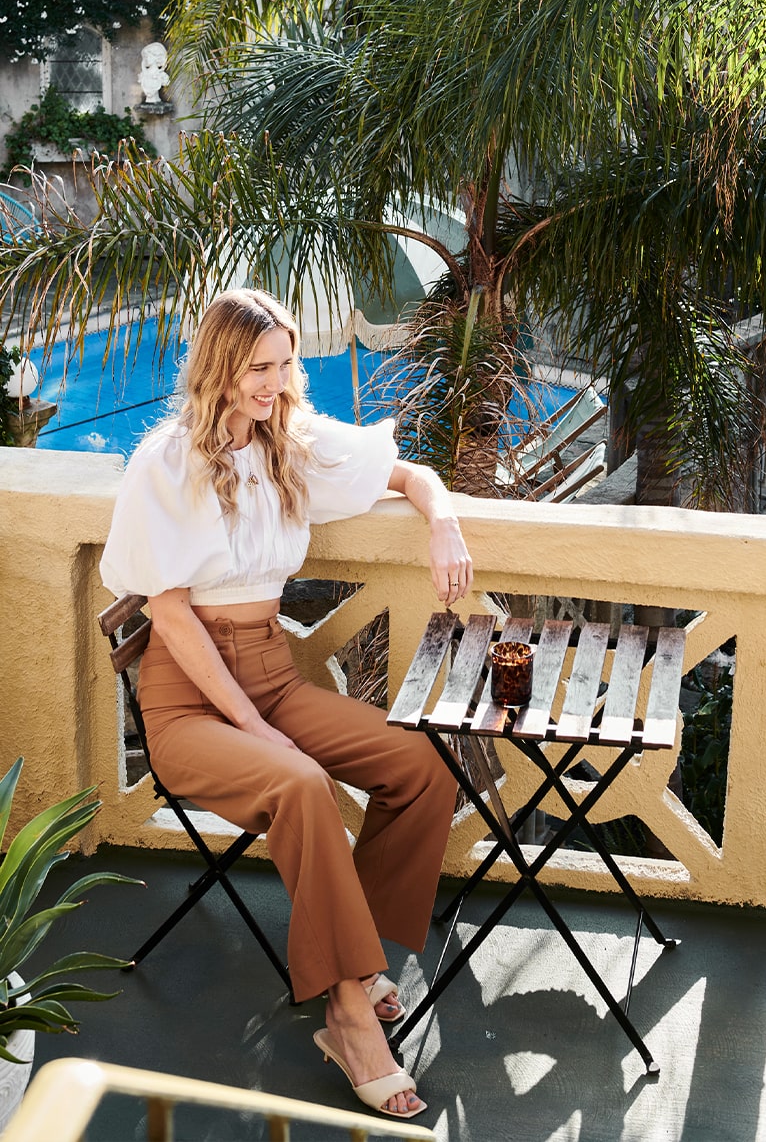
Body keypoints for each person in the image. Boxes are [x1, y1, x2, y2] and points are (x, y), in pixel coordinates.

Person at [100, 288, 471, 1120]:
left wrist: (442, 520)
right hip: (190, 702)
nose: (275, 382)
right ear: (221, 366)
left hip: (270, 671)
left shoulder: (288, 441)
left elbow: (409, 473)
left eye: (284, 364)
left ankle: (358, 956)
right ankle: (345, 1014)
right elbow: (169, 617)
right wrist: (253, 724)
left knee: (418, 764)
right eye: (259, 367)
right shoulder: (166, 462)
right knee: (301, 784)